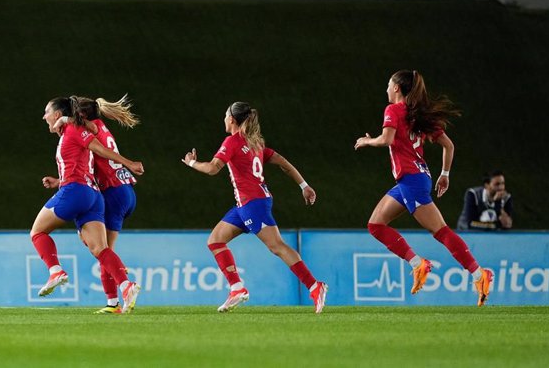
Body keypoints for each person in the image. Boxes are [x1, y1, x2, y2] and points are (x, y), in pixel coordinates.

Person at [354, 70, 494, 306]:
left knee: (441, 231)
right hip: (413, 179)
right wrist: (445, 174)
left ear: (397, 88)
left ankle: (480, 275)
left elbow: (386, 140)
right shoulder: (417, 114)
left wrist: (367, 141)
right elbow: (448, 146)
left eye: (389, 85)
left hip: (412, 180)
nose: (387, 89)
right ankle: (418, 264)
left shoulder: (394, 110)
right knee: (375, 225)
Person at [181, 101, 328, 314]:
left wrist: (192, 163)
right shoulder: (255, 143)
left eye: (225, 115)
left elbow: (213, 169)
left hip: (253, 204)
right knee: (215, 240)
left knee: (277, 246)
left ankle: (315, 286)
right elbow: (283, 163)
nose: (223, 119)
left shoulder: (232, 141)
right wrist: (304, 185)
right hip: (246, 205)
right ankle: (237, 288)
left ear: (232, 119)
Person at [32, 96, 143, 313]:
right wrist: (58, 180)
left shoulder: (74, 129)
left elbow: (97, 146)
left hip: (82, 191)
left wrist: (129, 162)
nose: (44, 116)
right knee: (100, 248)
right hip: (96, 194)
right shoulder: (80, 129)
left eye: (47, 112)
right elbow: (87, 147)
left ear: (58, 114)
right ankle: (126, 286)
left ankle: (56, 271)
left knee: (37, 232)